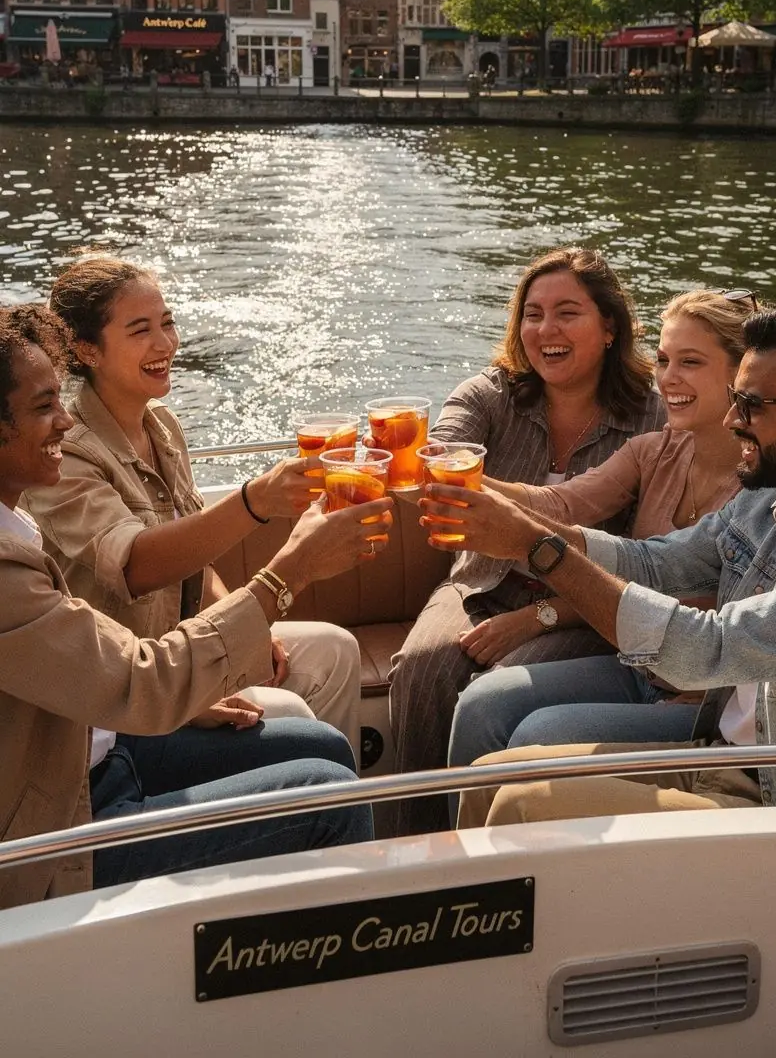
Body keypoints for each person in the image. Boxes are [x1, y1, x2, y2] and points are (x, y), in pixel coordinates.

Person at [0, 305, 392, 910]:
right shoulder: (6, 569)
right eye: (43, 407)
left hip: (98, 751)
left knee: (326, 748)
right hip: (58, 829)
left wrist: (191, 696)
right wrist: (288, 571)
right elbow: (137, 670)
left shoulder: (21, 523)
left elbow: (85, 671)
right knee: (330, 796)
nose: (62, 422)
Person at [422, 307, 776, 829]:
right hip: (717, 752)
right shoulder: (764, 505)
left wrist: (538, 547)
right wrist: (523, 530)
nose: (731, 419)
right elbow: (655, 562)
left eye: (751, 405)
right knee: (490, 777)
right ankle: (463, 906)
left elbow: (705, 649)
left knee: (524, 805)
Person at [27, 254, 362, 756]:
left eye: (167, 323)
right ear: (86, 349)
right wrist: (254, 502)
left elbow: (194, 562)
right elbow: (136, 564)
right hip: (127, 689)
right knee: (292, 717)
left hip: (183, 647)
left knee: (337, 650)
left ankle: (320, 823)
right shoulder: (66, 453)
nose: (166, 344)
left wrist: (247, 622)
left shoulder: (162, 427)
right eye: (140, 330)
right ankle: (305, 804)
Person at [388, 248, 665, 834]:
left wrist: (542, 614)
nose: (546, 331)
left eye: (567, 313)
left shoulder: (653, 420)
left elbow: (653, 563)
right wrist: (417, 460)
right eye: (533, 314)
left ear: (610, 326)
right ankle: (414, 846)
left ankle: (491, 849)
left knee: (498, 686)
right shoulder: (490, 394)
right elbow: (440, 456)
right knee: (421, 667)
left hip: (584, 605)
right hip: (479, 583)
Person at [446, 289, 752, 775]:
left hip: (710, 698)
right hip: (641, 667)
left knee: (536, 735)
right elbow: (562, 504)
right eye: (664, 360)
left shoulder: (767, 487)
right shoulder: (654, 450)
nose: (669, 378)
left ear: (742, 375)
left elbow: (711, 613)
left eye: (690, 362)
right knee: (482, 704)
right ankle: (455, 848)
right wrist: (455, 475)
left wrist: (538, 575)